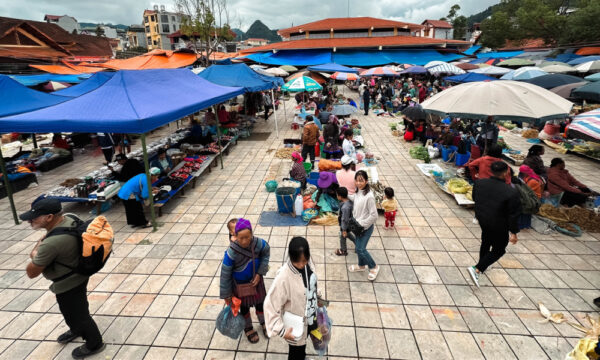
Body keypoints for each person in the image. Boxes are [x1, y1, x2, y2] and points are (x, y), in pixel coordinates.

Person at [21, 199, 105, 359]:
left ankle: (95, 343)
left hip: (68, 282)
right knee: (72, 309)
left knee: (78, 314)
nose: (29, 220)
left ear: (49, 217)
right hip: (79, 273)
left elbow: (31, 273)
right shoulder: (69, 217)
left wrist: (34, 254)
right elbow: (47, 238)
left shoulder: (52, 244)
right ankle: (76, 330)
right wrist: (41, 247)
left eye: (34, 217)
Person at [264, 237, 319, 360]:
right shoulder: (283, 277)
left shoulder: (308, 264)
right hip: (295, 324)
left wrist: (317, 297)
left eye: (304, 260)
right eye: (297, 261)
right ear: (291, 257)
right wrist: (281, 330)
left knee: (303, 346)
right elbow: (270, 305)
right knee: (295, 352)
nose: (301, 264)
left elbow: (312, 282)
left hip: (310, 316)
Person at [468, 161, 521, 287]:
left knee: (486, 242)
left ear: (491, 171)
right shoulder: (511, 192)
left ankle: (483, 264)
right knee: (499, 250)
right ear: (505, 173)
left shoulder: (479, 183)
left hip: (483, 219)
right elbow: (513, 214)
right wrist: (513, 232)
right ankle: (477, 268)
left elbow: (475, 198)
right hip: (499, 224)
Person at [220, 219, 270, 344]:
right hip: (240, 287)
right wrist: (228, 294)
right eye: (240, 238)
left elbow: (266, 252)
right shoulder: (231, 252)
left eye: (247, 237)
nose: (244, 241)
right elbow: (225, 273)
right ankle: (248, 327)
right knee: (244, 308)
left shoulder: (258, 243)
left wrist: (260, 273)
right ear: (235, 236)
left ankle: (264, 322)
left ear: (252, 234)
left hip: (256, 283)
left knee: (260, 304)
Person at [348, 170, 380, 281]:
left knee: (361, 249)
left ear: (366, 181)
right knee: (358, 247)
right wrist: (345, 194)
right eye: (356, 180)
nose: (358, 183)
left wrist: (362, 224)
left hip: (365, 228)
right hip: (357, 227)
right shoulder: (358, 192)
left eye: (361, 180)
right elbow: (355, 199)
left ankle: (374, 266)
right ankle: (361, 266)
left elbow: (374, 216)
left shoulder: (369, 197)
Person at [335, 187, 355, 256]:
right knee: (348, 234)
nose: (336, 196)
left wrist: (343, 229)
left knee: (342, 237)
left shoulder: (345, 207)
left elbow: (344, 219)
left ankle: (343, 250)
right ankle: (358, 243)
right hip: (348, 224)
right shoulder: (348, 202)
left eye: (337, 195)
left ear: (340, 196)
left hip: (345, 225)